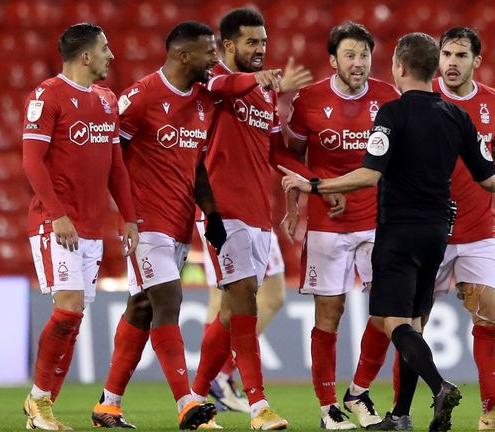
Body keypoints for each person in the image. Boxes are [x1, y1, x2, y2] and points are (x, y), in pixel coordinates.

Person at [280, 32, 495, 432]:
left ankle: (438, 386)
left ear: (399, 68)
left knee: (394, 321)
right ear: (434, 68)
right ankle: (400, 416)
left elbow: (370, 173)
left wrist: (315, 186)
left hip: (396, 232)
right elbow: (491, 178)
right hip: (439, 233)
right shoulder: (458, 116)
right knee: (414, 322)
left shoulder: (391, 113)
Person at [88, 21, 285, 429]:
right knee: (168, 299)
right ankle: (187, 403)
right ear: (182, 56)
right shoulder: (141, 97)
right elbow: (108, 153)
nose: (215, 59)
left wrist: (210, 212)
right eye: (208, 52)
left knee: (141, 308)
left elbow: (196, 166)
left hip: (179, 223)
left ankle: (107, 404)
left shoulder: (201, 100)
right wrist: (124, 213)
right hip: (144, 224)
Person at [188, 8, 314, 430]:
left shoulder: (262, 95)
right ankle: (259, 407)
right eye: (251, 43)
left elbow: (276, 149)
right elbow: (223, 83)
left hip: (260, 214)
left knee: (229, 313)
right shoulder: (213, 81)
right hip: (224, 210)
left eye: (263, 42)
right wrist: (256, 80)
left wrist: (316, 178)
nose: (260, 50)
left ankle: (194, 399)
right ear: (228, 46)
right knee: (242, 305)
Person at [281, 21, 399, 430]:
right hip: (327, 227)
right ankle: (328, 406)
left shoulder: (389, 98)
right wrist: (315, 188)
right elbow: (285, 151)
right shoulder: (310, 100)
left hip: (377, 221)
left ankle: (360, 391)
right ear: (333, 60)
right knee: (329, 312)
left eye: (364, 55)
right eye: (350, 55)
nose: (359, 63)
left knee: (387, 312)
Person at [21, 22, 139, 431]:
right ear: (86, 56)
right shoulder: (47, 95)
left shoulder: (108, 101)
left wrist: (128, 216)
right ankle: (38, 401)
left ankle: (42, 406)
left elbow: (116, 167)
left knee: (74, 322)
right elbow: (32, 162)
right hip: (58, 224)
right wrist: (57, 214)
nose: (111, 56)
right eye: (105, 49)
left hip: (92, 228)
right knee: (68, 310)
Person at [429, 27, 495, 431]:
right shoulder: (422, 96)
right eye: (446, 54)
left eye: (460, 55)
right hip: (428, 230)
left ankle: (493, 409)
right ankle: (399, 412)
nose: (452, 62)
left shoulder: (493, 101)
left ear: (477, 62)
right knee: (409, 324)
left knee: (487, 315)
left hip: (478, 231)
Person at [195, 216, 287, 414]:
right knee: (269, 297)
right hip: (241, 214)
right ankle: (220, 376)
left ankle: (211, 383)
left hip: (217, 211)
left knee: (222, 298)